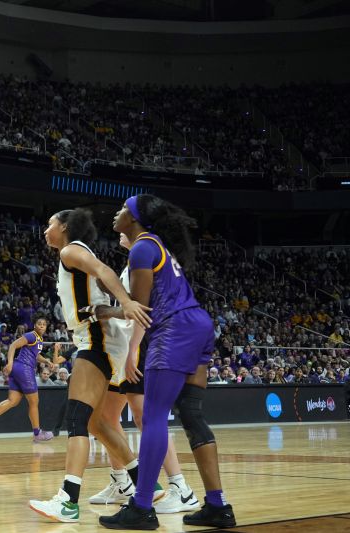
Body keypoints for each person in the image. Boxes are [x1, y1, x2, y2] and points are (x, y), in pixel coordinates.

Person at [100, 195, 236, 529]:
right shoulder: (156, 246)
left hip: (174, 330)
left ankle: (142, 507)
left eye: (122, 210)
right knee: (191, 415)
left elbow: (138, 308)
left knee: (154, 416)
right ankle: (217, 506)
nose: (116, 213)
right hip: (199, 325)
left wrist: (101, 311)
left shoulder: (143, 248)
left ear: (133, 218)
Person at [29, 208, 151, 524]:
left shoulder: (71, 250)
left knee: (78, 419)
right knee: (96, 424)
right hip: (100, 338)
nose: (46, 229)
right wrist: (117, 311)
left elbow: (104, 271)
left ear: (65, 226)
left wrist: (126, 303)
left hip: (95, 342)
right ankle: (144, 486)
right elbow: (95, 304)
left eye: (50, 222)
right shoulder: (72, 254)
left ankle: (68, 501)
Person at [87, 233, 199, 514]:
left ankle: (180, 488)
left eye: (125, 217)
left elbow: (142, 311)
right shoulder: (134, 260)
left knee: (146, 417)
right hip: (124, 347)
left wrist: (132, 347)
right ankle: (121, 482)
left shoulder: (146, 257)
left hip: (142, 344)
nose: (118, 225)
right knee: (104, 418)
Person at [0, 315, 56, 442]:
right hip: (24, 369)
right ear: (34, 326)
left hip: (18, 370)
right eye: (39, 323)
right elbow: (13, 345)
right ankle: (37, 434)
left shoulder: (39, 339)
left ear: (46, 327)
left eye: (44, 324)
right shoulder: (31, 335)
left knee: (13, 401)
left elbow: (36, 355)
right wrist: (9, 363)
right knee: (34, 402)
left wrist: (47, 361)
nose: (42, 325)